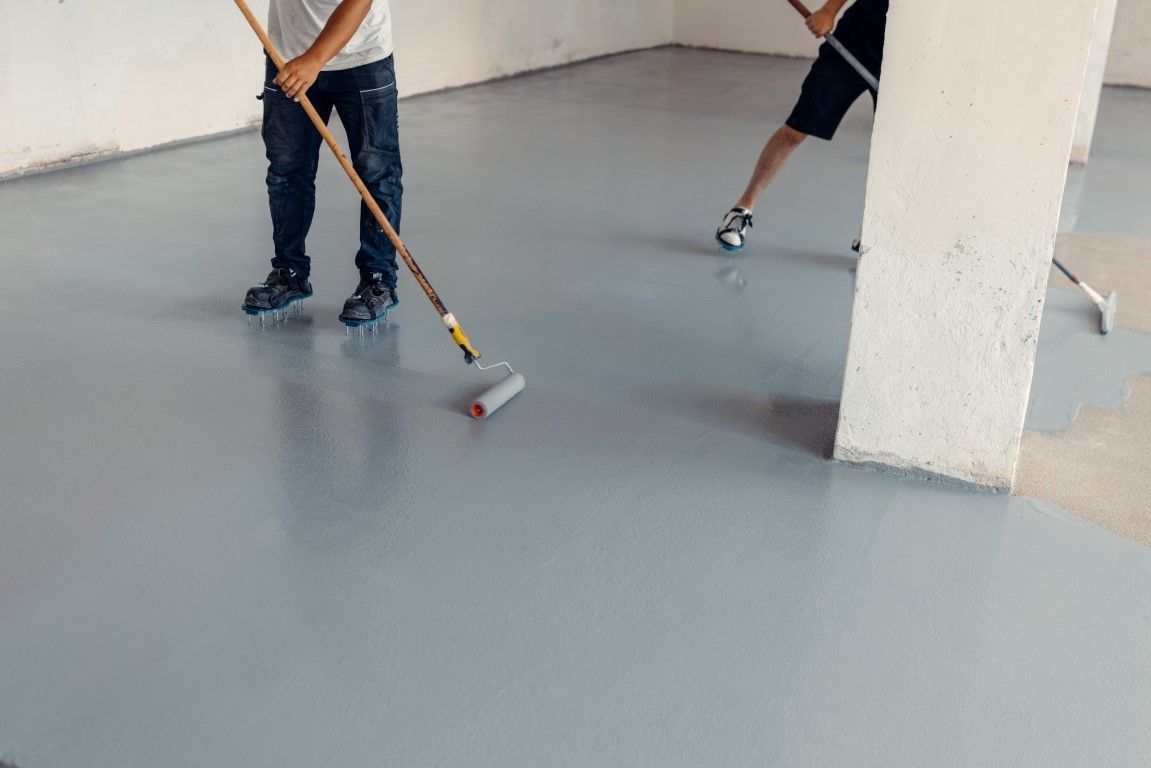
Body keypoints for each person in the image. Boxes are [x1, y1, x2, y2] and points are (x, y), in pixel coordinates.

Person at [243, 0, 403, 327]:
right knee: (287, 172)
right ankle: (289, 272)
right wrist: (304, 59)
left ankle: (378, 279)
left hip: (361, 59)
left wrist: (314, 59)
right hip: (288, 55)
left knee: (377, 174)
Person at [715, 0, 888, 252]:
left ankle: (876, 225)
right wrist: (829, 11)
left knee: (893, 148)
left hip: (902, 57)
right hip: (853, 45)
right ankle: (741, 209)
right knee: (796, 130)